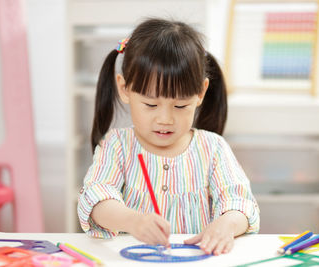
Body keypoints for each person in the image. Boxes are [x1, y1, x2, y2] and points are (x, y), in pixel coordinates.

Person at [77, 18, 260, 255]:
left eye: (181, 106)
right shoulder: (116, 146)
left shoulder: (213, 148)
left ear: (201, 93)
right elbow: (96, 201)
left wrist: (227, 224)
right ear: (124, 89)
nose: (165, 119)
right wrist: (132, 221)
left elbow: (241, 204)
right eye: (151, 104)